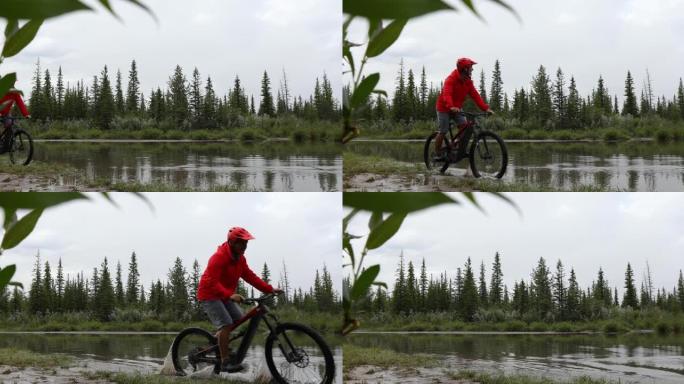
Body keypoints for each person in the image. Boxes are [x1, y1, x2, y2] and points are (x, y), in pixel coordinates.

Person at [196, 227, 283, 373]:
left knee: (239, 318)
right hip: (209, 294)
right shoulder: (219, 257)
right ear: (231, 242)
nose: (244, 246)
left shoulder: (240, 259)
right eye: (241, 243)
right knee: (226, 324)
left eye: (246, 243)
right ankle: (225, 362)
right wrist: (230, 295)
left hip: (223, 294)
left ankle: (217, 341)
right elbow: (212, 282)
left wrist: (269, 289)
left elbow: (250, 276)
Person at [435, 57, 494, 161]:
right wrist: (451, 106)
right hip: (444, 107)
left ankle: (457, 149)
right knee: (443, 130)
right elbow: (447, 94)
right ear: (465, 69)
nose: (472, 70)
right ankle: (437, 153)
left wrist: (485, 108)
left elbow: (476, 96)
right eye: (471, 68)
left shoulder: (468, 82)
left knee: (464, 127)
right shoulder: (451, 79)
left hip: (456, 108)